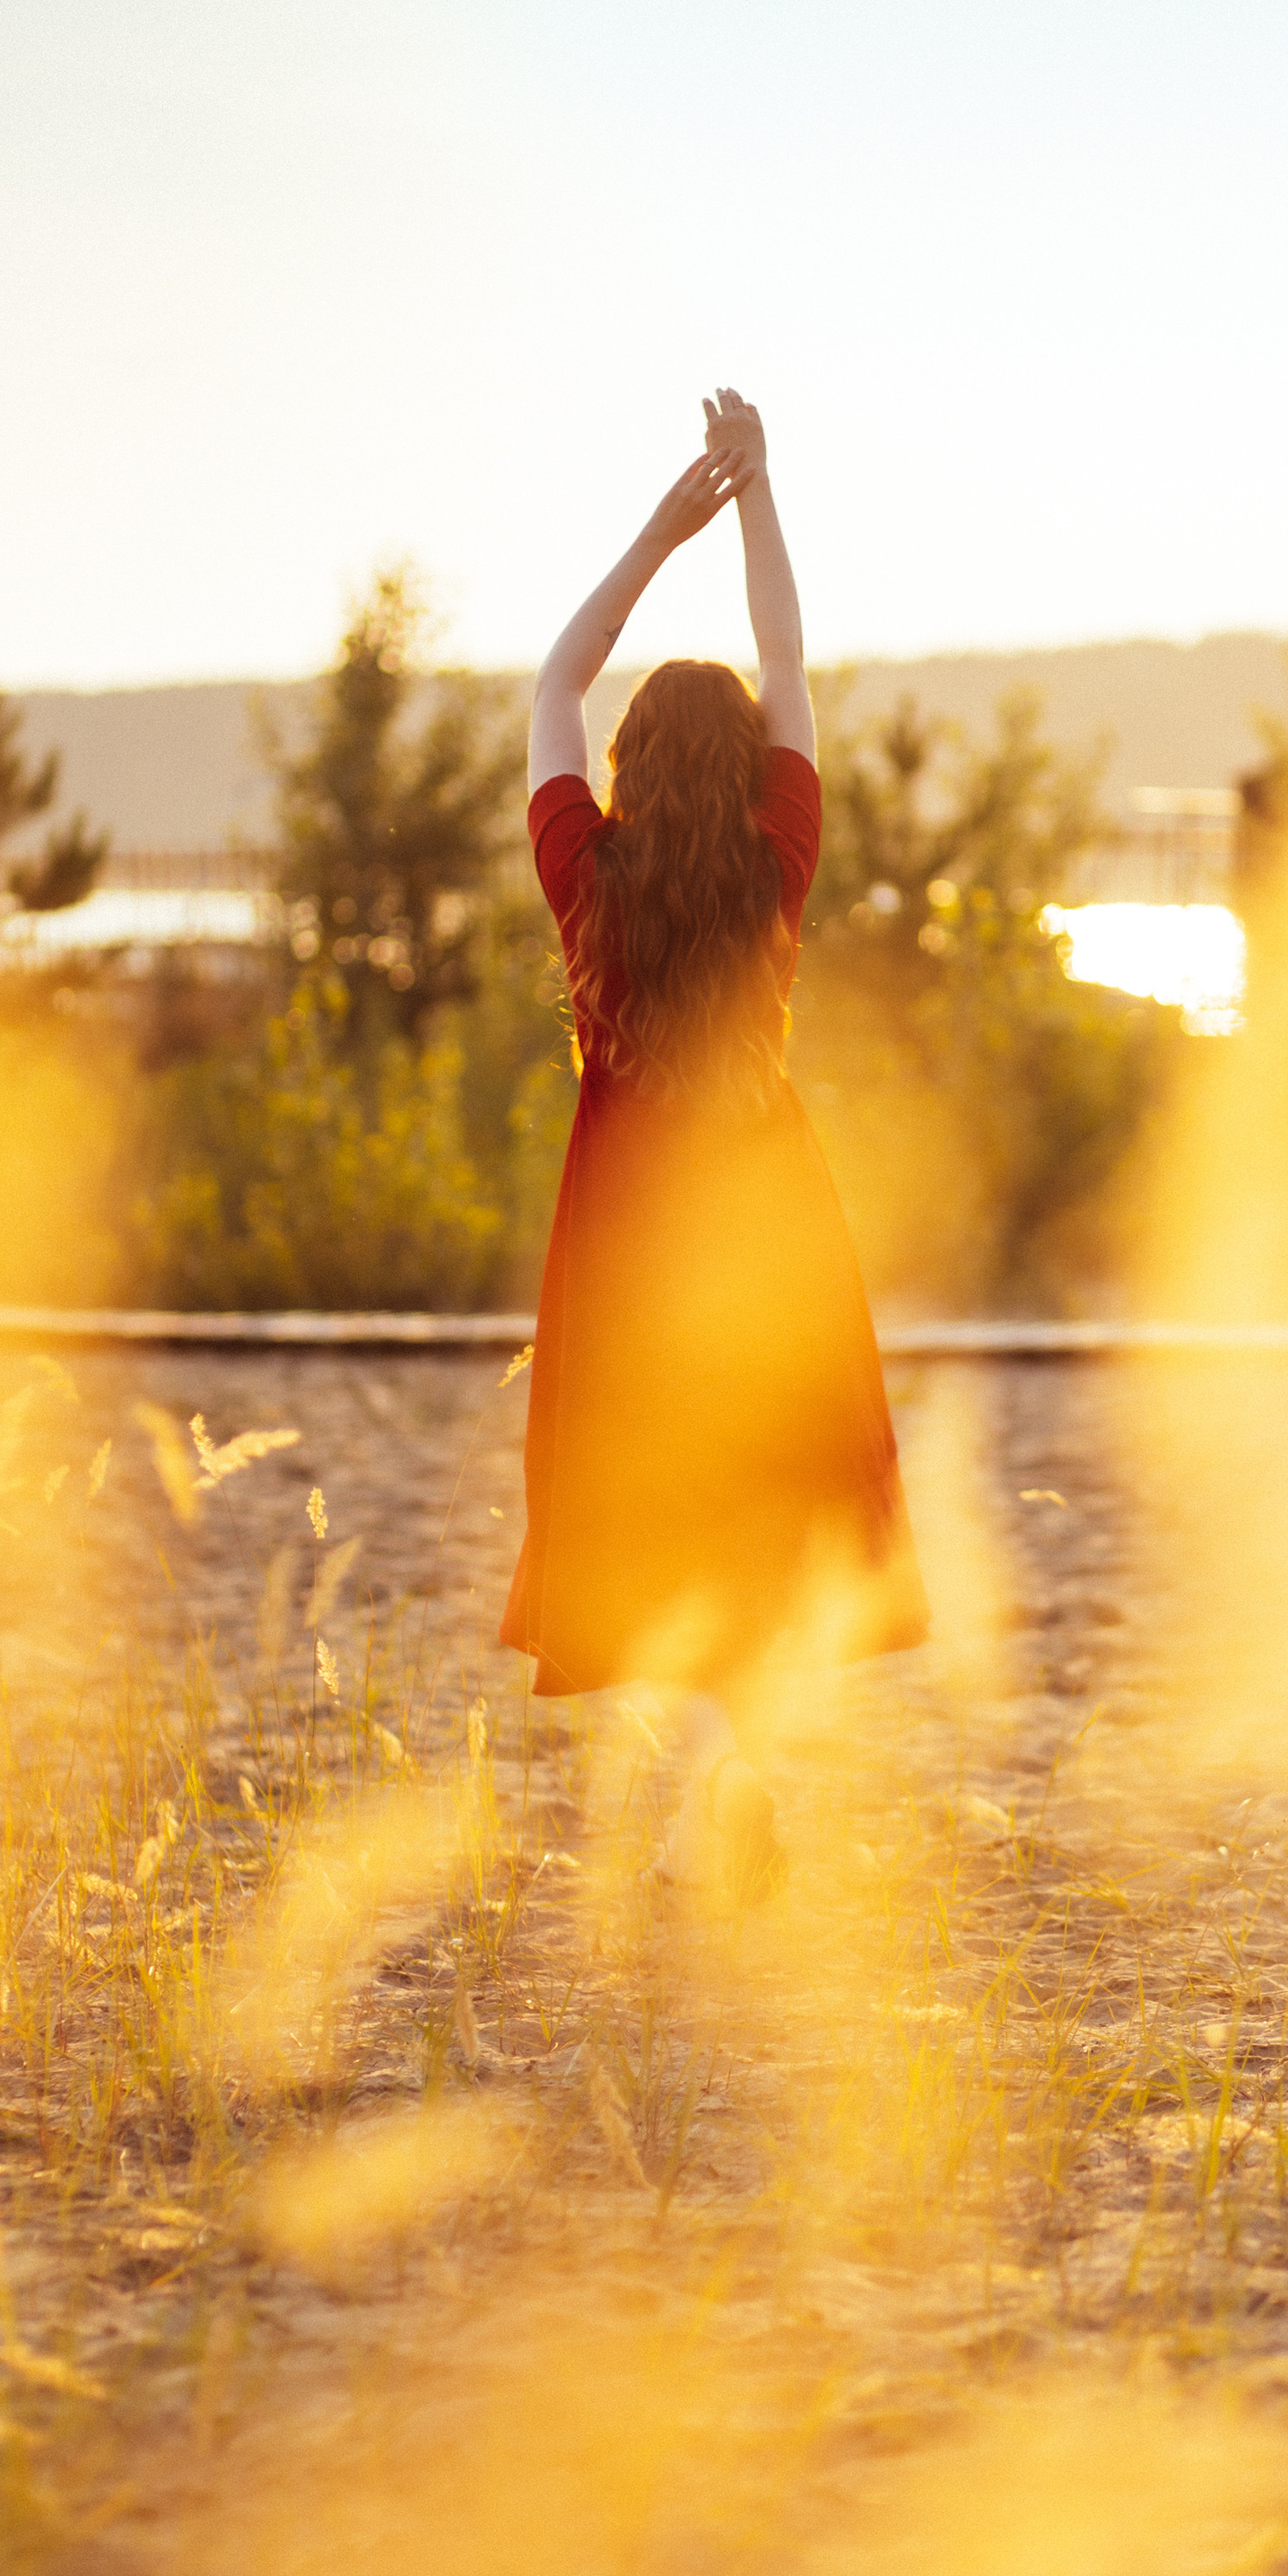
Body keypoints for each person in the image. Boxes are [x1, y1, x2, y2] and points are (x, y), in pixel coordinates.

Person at [498, 390, 930, 1898]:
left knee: (664, 1492)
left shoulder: (586, 883)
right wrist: (757, 499)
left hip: (628, 1247)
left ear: (625, 769)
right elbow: (793, 661)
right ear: (749, 770)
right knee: (759, 1482)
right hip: (768, 1230)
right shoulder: (775, 866)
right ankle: (746, 1764)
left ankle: (719, 1767)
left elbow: (555, 678)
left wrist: (658, 532)